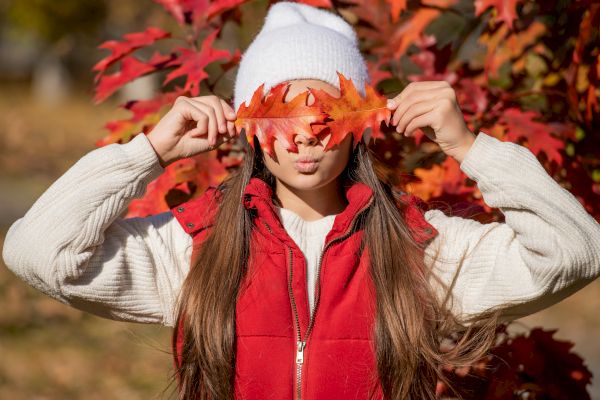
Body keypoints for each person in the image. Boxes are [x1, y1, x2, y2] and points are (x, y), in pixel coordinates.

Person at [3, 2, 600, 400]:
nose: (306, 134)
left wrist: (470, 148)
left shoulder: (423, 252)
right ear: (248, 121)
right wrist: (148, 153)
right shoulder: (193, 250)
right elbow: (37, 252)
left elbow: (577, 250)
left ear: (362, 119)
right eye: (281, 110)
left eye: (327, 111)